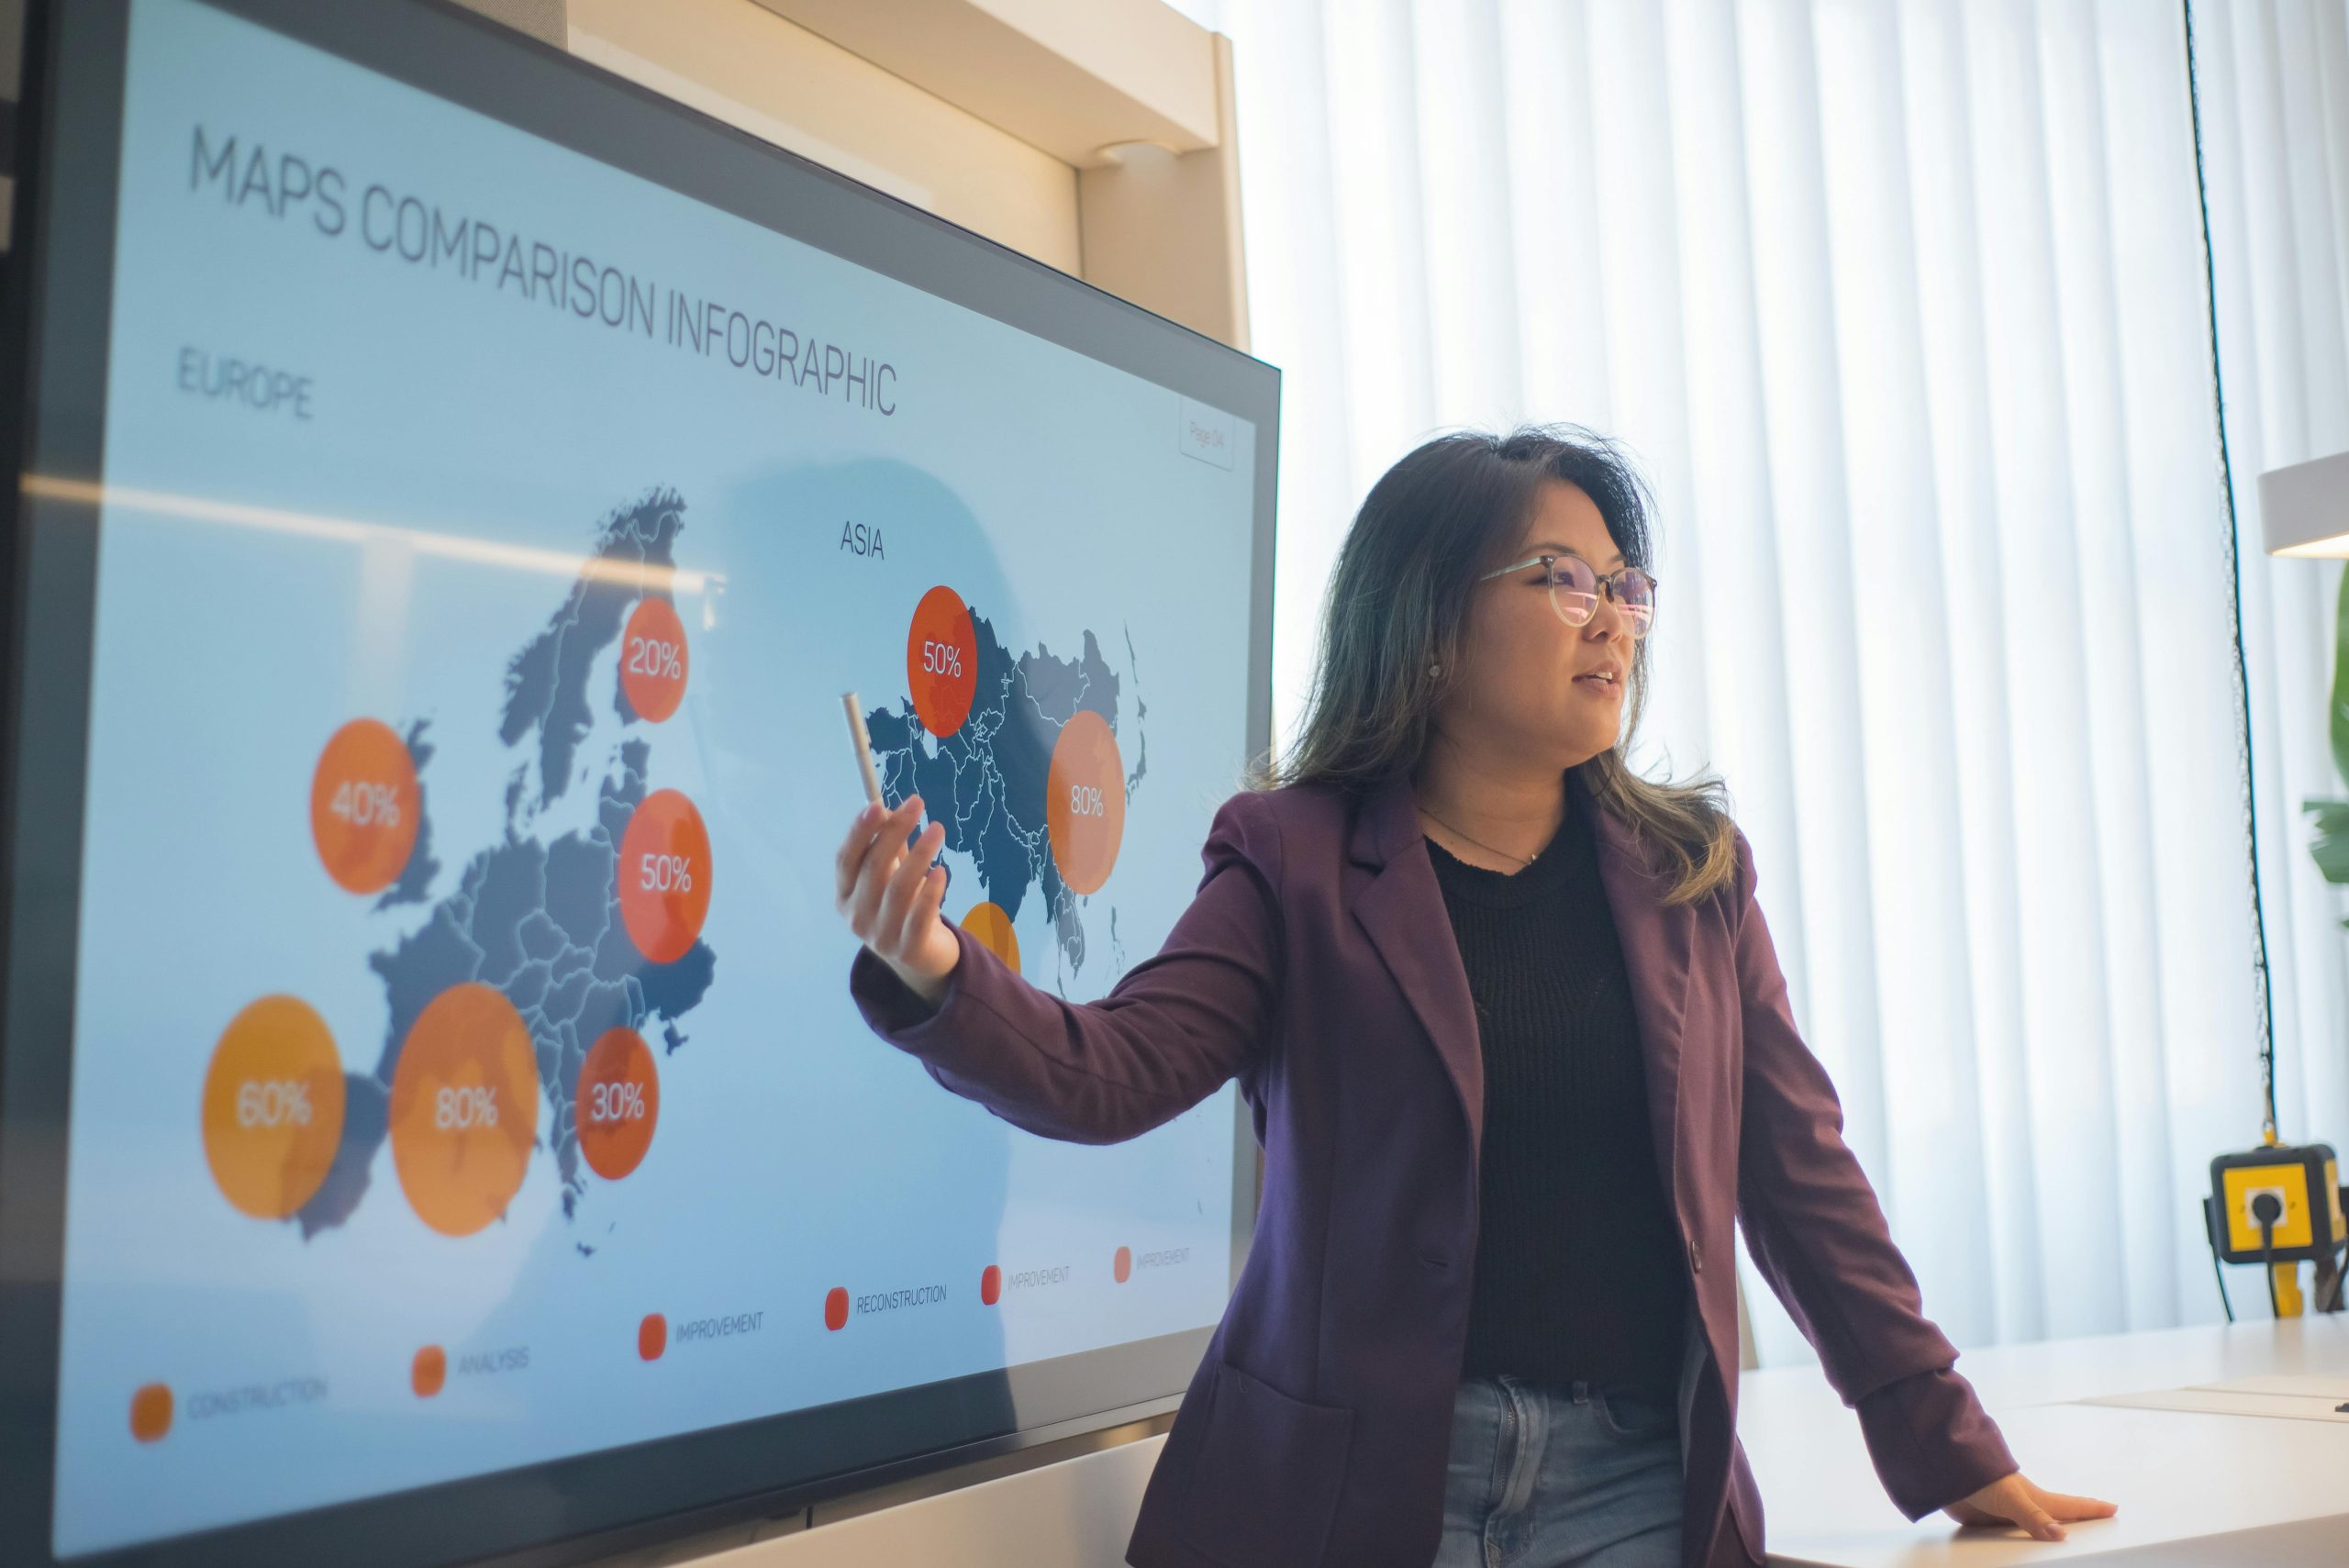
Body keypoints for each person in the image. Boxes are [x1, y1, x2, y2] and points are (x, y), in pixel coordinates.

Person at [835, 427, 2117, 1568]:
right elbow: (1114, 1068)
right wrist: (938, 965)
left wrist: (1948, 1444)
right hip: (1356, 1493)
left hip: (1632, 1487)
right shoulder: (1295, 859)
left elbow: (1801, 1177)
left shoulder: (1692, 880)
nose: (1613, 616)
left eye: (1627, 584)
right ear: (1434, 624)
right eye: (1566, 579)